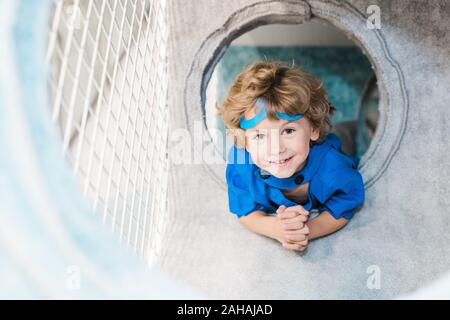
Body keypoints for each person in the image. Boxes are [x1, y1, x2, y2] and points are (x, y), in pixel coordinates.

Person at [218, 61, 365, 252]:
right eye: (260, 136)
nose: (276, 149)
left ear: (313, 129)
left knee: (351, 135)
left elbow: (345, 204)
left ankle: (354, 125)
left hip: (331, 145)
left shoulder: (333, 167)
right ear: (245, 142)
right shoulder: (241, 165)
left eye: (287, 131)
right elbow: (246, 211)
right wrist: (276, 229)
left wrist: (306, 231)